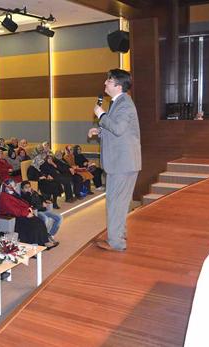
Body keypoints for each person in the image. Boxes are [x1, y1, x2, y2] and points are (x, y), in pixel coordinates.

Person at [88, 69, 141, 252]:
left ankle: (116, 242)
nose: (105, 83)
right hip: (122, 162)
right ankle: (119, 235)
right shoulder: (118, 102)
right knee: (119, 202)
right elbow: (119, 132)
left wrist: (101, 115)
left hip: (122, 163)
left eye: (108, 81)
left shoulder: (124, 104)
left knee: (115, 202)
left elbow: (118, 128)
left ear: (118, 85)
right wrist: (99, 131)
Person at [0, 179, 57, 248]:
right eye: (13, 186)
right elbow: (12, 209)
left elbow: (21, 203)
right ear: (7, 187)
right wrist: (26, 213)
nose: (15, 188)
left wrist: (28, 208)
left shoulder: (12, 194)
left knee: (39, 221)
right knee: (34, 224)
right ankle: (35, 245)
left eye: (14, 186)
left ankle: (44, 242)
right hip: (13, 217)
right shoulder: (4, 197)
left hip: (20, 213)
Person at [20, 181, 62, 245]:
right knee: (45, 219)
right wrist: (40, 205)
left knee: (59, 217)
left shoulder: (33, 192)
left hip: (44, 210)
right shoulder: (24, 197)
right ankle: (45, 237)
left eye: (29, 187)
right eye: (26, 188)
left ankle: (50, 234)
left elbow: (41, 197)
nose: (28, 188)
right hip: (37, 211)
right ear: (22, 189)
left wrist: (44, 201)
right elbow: (31, 205)